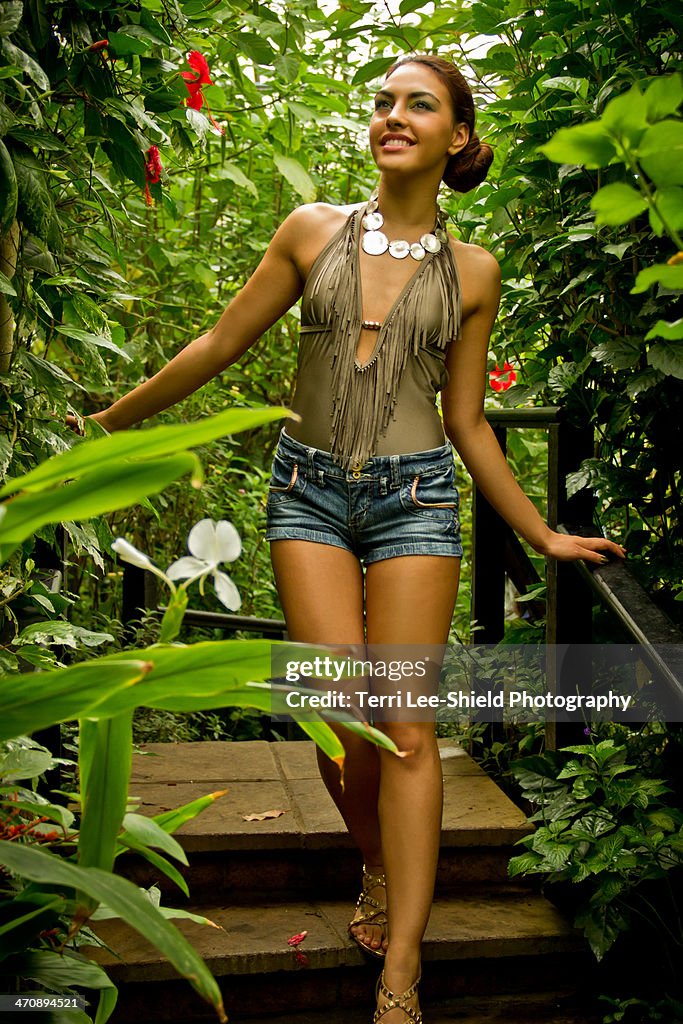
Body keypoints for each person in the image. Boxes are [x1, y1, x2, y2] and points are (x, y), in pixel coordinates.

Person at [70, 54, 625, 1023]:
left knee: (407, 729)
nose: (392, 116)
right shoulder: (308, 231)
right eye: (383, 102)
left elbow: (466, 422)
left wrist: (540, 531)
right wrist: (107, 427)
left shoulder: (472, 273)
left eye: (418, 104)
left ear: (455, 136)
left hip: (416, 501)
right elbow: (215, 344)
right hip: (307, 494)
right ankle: (374, 858)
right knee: (337, 718)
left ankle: (400, 968)